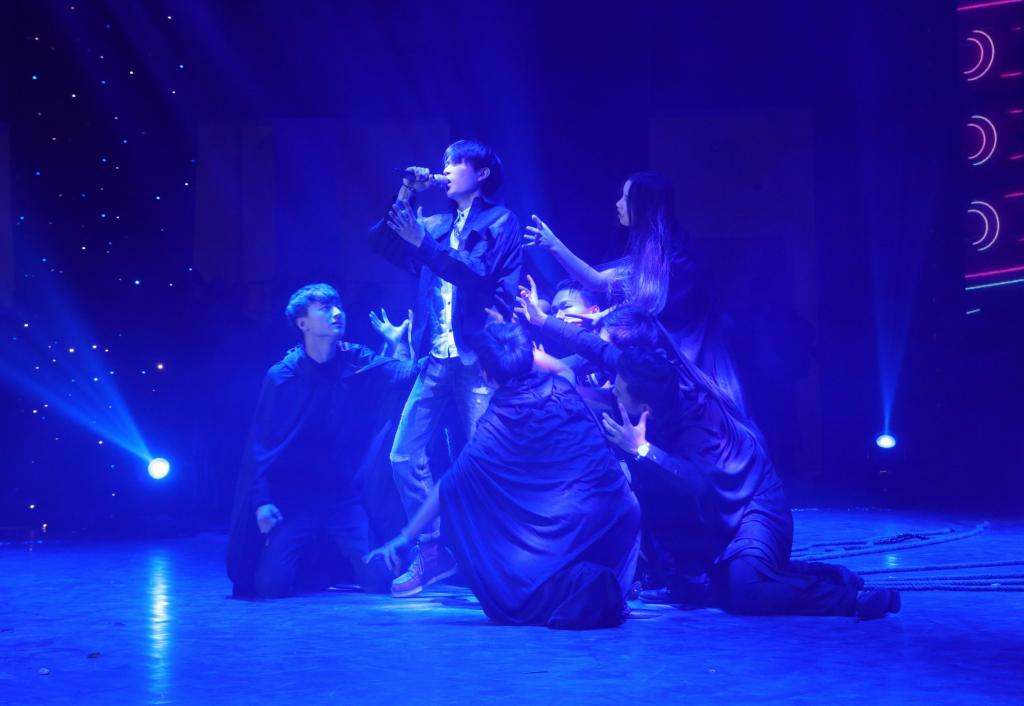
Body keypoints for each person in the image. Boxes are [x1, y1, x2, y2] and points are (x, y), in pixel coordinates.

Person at [516, 292, 899, 618]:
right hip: (717, 510)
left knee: (746, 593)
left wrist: (641, 448)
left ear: (645, 406)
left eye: (618, 392)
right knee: (717, 574)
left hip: (754, 509)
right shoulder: (643, 374)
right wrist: (542, 320)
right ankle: (812, 573)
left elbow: (700, 483)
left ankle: (850, 599)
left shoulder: (697, 422)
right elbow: (599, 350)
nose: (612, 393)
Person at [366, 323, 641, 628]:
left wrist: (404, 537)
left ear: (486, 376)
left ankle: (571, 591)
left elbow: (446, 489)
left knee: (476, 514)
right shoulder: (563, 388)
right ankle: (605, 590)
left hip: (553, 540)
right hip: (608, 525)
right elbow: (563, 368)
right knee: (621, 504)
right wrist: (521, 352)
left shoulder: (494, 427)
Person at [368, 140, 523, 596]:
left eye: (456, 162)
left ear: (481, 173)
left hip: (479, 358)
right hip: (436, 357)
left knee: (484, 463)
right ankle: (434, 551)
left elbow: (477, 273)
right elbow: (381, 242)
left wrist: (424, 243)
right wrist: (405, 193)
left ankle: (499, 560)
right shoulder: (433, 224)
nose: (447, 170)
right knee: (403, 455)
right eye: (445, 163)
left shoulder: (500, 221)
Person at [226, 284, 417, 598]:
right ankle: (314, 560)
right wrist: (262, 501)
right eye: (326, 308)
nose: (337, 313)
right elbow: (260, 445)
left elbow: (401, 376)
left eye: (338, 306)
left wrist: (399, 345)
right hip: (295, 500)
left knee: (380, 581)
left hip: (342, 498)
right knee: (271, 586)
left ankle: (338, 559)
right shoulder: (283, 376)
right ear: (303, 323)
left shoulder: (354, 359)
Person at [525, 171, 746, 411]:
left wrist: (554, 245)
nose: (618, 204)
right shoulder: (647, 255)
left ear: (644, 206)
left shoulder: (675, 259)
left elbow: (640, 306)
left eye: (627, 198)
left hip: (686, 360)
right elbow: (602, 286)